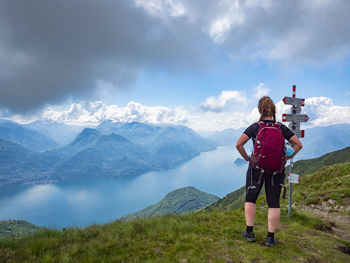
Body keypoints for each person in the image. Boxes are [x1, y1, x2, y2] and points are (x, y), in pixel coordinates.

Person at [235, 96, 302, 247]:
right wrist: (286, 156)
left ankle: (249, 232)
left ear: (260, 110)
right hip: (276, 171)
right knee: (274, 203)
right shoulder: (281, 128)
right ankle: (270, 238)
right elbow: (298, 144)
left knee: (251, 199)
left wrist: (247, 157)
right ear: (274, 111)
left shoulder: (255, 127)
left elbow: (239, 144)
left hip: (256, 169)